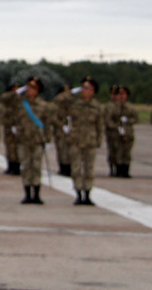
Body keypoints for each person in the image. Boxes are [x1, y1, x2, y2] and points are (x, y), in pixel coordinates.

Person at [0, 77, 52, 205]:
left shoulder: (43, 105)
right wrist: (17, 92)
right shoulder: (19, 103)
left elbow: (47, 123)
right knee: (25, 167)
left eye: (33, 88)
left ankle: (37, 194)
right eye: (28, 87)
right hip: (23, 140)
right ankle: (27, 194)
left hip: (37, 140)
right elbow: (3, 99)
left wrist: (48, 140)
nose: (29, 90)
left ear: (38, 90)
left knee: (36, 167)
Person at [57, 76, 104, 206]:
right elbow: (58, 100)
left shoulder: (97, 106)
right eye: (83, 87)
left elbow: (99, 125)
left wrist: (99, 140)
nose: (84, 90)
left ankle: (87, 194)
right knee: (76, 169)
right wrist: (72, 92)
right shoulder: (73, 103)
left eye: (87, 88)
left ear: (93, 91)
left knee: (89, 169)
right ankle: (78, 193)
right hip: (75, 141)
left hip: (90, 141)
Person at [104, 85, 138, 178]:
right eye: (119, 94)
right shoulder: (112, 107)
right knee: (116, 152)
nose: (122, 96)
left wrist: (128, 121)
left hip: (128, 133)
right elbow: (108, 119)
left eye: (124, 94)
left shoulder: (130, 107)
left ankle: (125, 170)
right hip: (115, 133)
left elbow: (135, 118)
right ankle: (117, 170)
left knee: (126, 153)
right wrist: (116, 126)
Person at [51, 85, 74, 176]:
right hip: (60, 130)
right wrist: (61, 125)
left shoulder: (73, 103)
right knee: (62, 150)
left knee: (71, 150)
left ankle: (69, 167)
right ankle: (63, 168)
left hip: (71, 130)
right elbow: (54, 117)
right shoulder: (57, 103)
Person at [1, 84, 21, 176]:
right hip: (9, 127)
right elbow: (3, 97)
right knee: (10, 148)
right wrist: (13, 93)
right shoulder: (7, 100)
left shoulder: (20, 101)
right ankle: (10, 166)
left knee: (17, 149)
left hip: (19, 128)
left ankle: (16, 167)